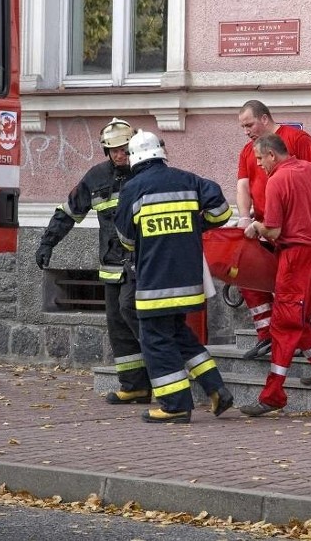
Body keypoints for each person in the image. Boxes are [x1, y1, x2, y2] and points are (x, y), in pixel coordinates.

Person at [114, 130, 234, 423]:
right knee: (179, 335)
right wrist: (195, 226)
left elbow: (126, 239)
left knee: (155, 341)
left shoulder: (132, 189)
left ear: (133, 158)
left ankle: (176, 404)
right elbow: (221, 212)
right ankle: (216, 389)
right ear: (160, 153)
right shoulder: (189, 180)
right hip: (189, 281)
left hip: (155, 284)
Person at [35, 118, 150, 405]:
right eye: (113, 151)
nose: (119, 155)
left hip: (142, 265)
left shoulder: (146, 173)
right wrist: (47, 242)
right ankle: (133, 386)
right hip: (112, 267)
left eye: (124, 149)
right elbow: (70, 211)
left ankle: (162, 378)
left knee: (139, 319)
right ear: (106, 152)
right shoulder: (96, 177)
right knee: (118, 326)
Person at [238, 134, 311, 417]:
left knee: (285, 324)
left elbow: (273, 231)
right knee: (299, 320)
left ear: (272, 155)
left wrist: (255, 227)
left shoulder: (277, 181)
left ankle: (273, 394)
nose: (259, 165)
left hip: (294, 256)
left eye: (260, 159)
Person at [236, 100, 311, 360]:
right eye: (243, 126)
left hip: (294, 234)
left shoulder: (297, 138)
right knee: (247, 277)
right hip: (264, 227)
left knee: (294, 291)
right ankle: (267, 335)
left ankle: (297, 337)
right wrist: (243, 217)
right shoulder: (247, 151)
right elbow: (243, 185)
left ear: (264, 119)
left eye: (249, 124)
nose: (246, 131)